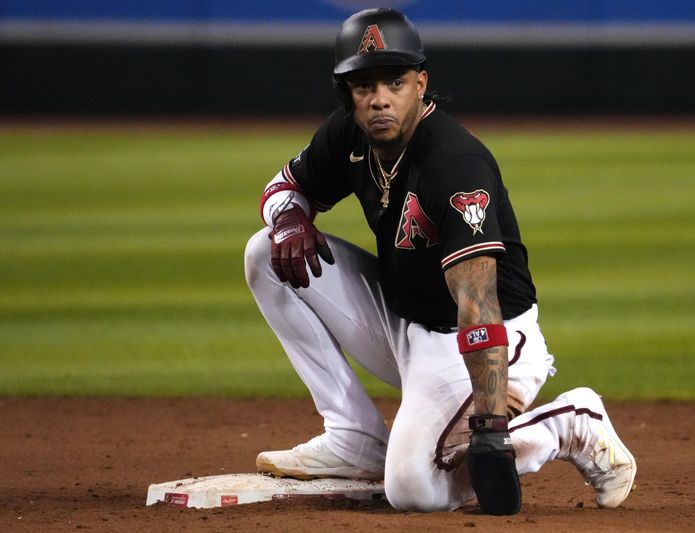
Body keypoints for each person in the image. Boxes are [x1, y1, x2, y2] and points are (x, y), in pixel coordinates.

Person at [244, 7, 636, 515]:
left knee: (412, 489)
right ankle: (353, 438)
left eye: (395, 81)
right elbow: (285, 188)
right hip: (403, 321)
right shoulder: (350, 134)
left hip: (482, 336)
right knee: (266, 252)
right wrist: (291, 219)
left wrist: (493, 432)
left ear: (421, 83)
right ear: (348, 93)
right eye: (364, 86)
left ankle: (569, 423)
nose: (379, 98)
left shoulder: (454, 164)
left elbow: (478, 302)